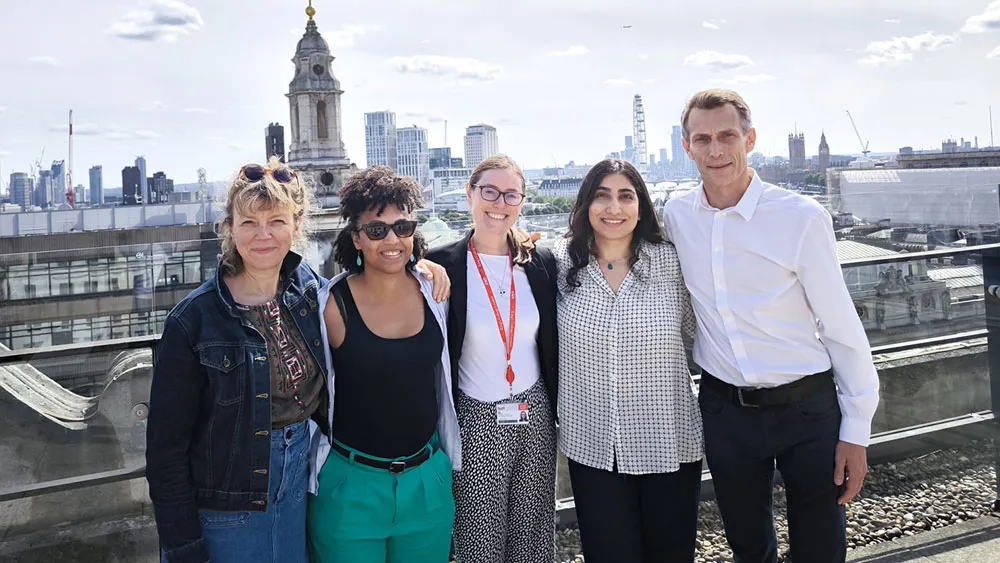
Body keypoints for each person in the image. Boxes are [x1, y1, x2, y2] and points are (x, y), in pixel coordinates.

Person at [663, 89, 880, 563]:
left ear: (751, 138)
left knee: (820, 546)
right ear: (687, 147)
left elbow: (841, 325)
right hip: (726, 411)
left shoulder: (800, 218)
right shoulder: (677, 215)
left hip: (808, 409)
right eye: (703, 139)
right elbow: (611, 239)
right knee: (747, 547)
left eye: (727, 136)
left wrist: (857, 430)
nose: (716, 150)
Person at [147, 158, 325, 563]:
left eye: (276, 221)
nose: (263, 235)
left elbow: (365, 294)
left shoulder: (309, 291)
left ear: (297, 225)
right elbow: (165, 450)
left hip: (300, 490)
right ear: (229, 229)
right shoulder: (194, 320)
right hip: (228, 510)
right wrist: (183, 547)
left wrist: (422, 267)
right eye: (249, 223)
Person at [306, 165, 461, 563]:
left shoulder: (434, 291)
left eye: (403, 227)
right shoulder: (330, 306)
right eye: (377, 230)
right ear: (356, 238)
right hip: (350, 487)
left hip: (427, 482)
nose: (392, 239)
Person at [555, 158, 704, 563]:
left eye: (626, 196)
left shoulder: (672, 263)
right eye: (602, 196)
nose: (614, 208)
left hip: (668, 443)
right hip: (593, 446)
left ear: (642, 206)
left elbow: (710, 327)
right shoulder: (559, 264)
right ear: (586, 205)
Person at [426, 154, 559, 563]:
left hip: (534, 411)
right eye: (489, 191)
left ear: (521, 202)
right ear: (470, 194)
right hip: (475, 416)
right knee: (478, 539)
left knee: (533, 535)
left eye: (510, 194)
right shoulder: (441, 264)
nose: (499, 203)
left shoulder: (539, 262)